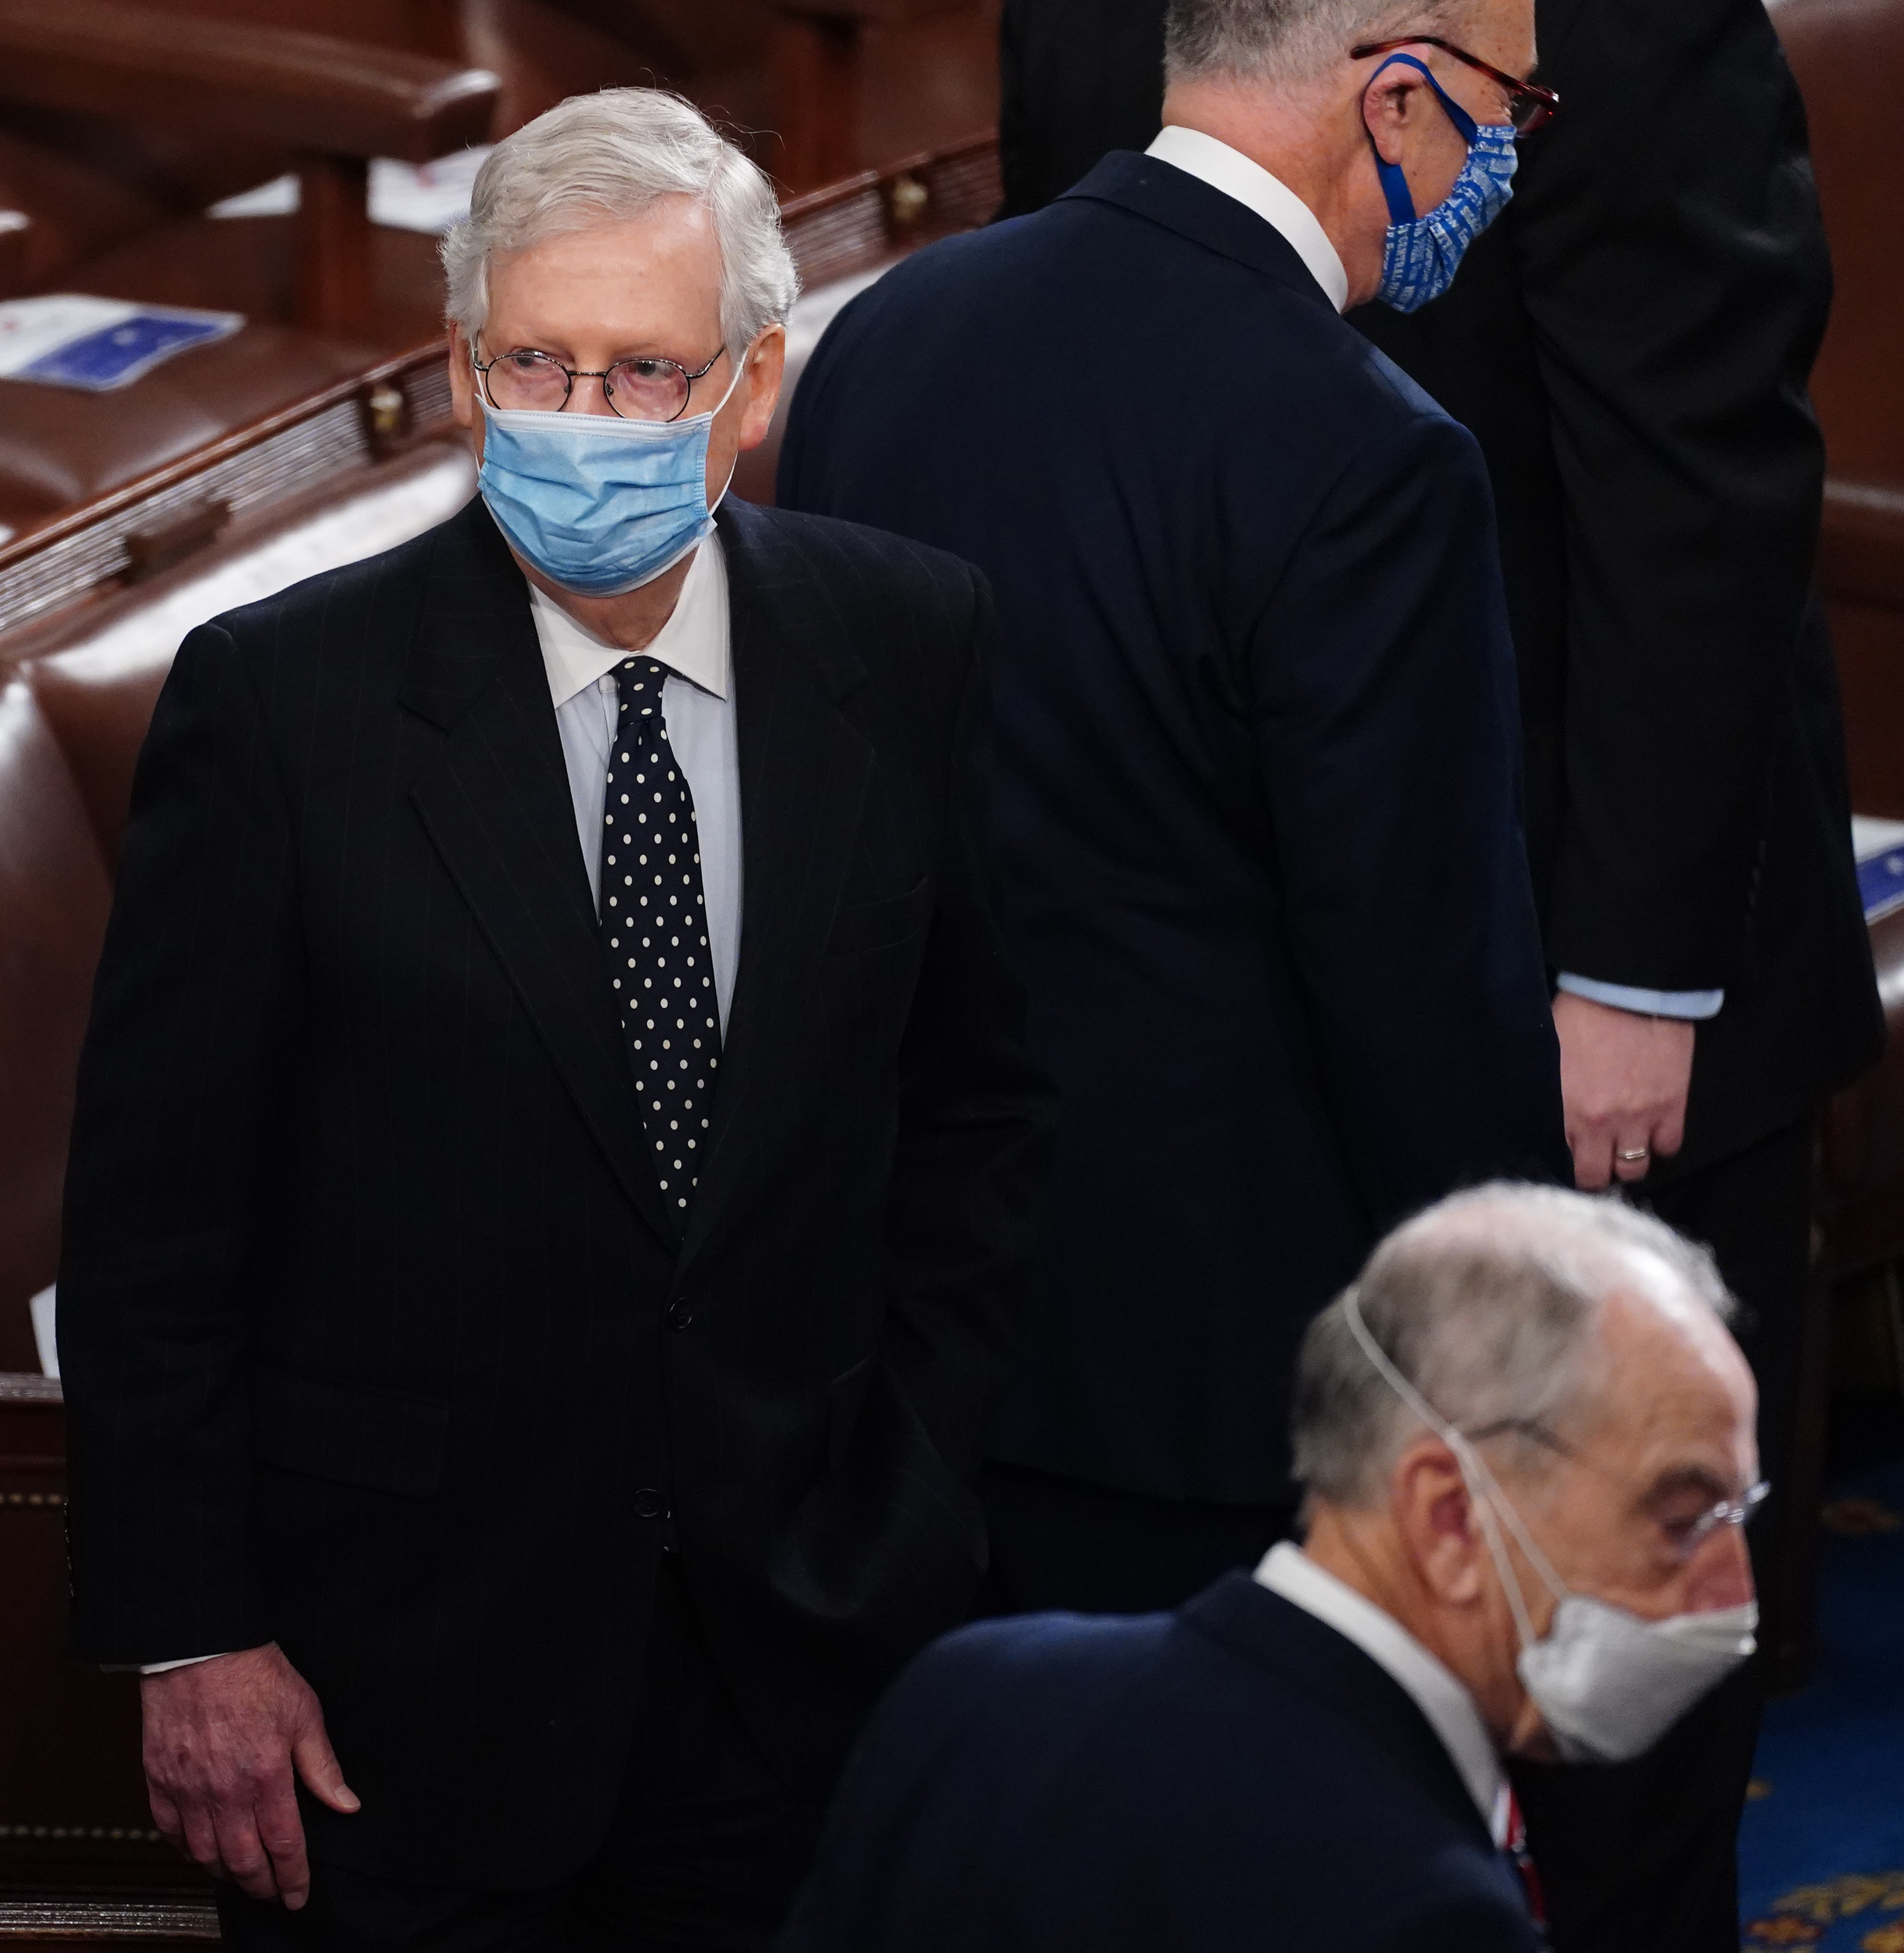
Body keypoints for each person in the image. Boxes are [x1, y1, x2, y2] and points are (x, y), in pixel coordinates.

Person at [56, 87, 1053, 1952]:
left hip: (809, 1649)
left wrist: (913, 1488)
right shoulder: (280, 709)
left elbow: (975, 1104)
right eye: (538, 361)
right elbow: (153, 1220)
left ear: (753, 389)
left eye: (645, 373)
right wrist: (195, 1633)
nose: (582, 420)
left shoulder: (911, 640)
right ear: (460, 369)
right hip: (406, 1693)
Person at [989, 0, 1883, 1941]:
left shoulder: (1630, 26)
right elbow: (1084, 384)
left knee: (1618, 1689)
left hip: (1604, 967)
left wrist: (1632, 980)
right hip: (1237, 1000)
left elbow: (1699, 487)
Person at [779, 0, 1567, 1622]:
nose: (1508, 151)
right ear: (1398, 98)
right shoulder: (1372, 456)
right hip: (1225, 1388)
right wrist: (1506, 1380)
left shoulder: (886, 335)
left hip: (906, 1336)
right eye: (1512, 103)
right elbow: (1419, 990)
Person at [782, 1183, 1766, 1953]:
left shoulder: (966, 1693)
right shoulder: (1429, 1915)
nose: (1738, 1598)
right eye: (1682, 1519)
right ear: (1451, 1514)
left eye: (1742, 1516)